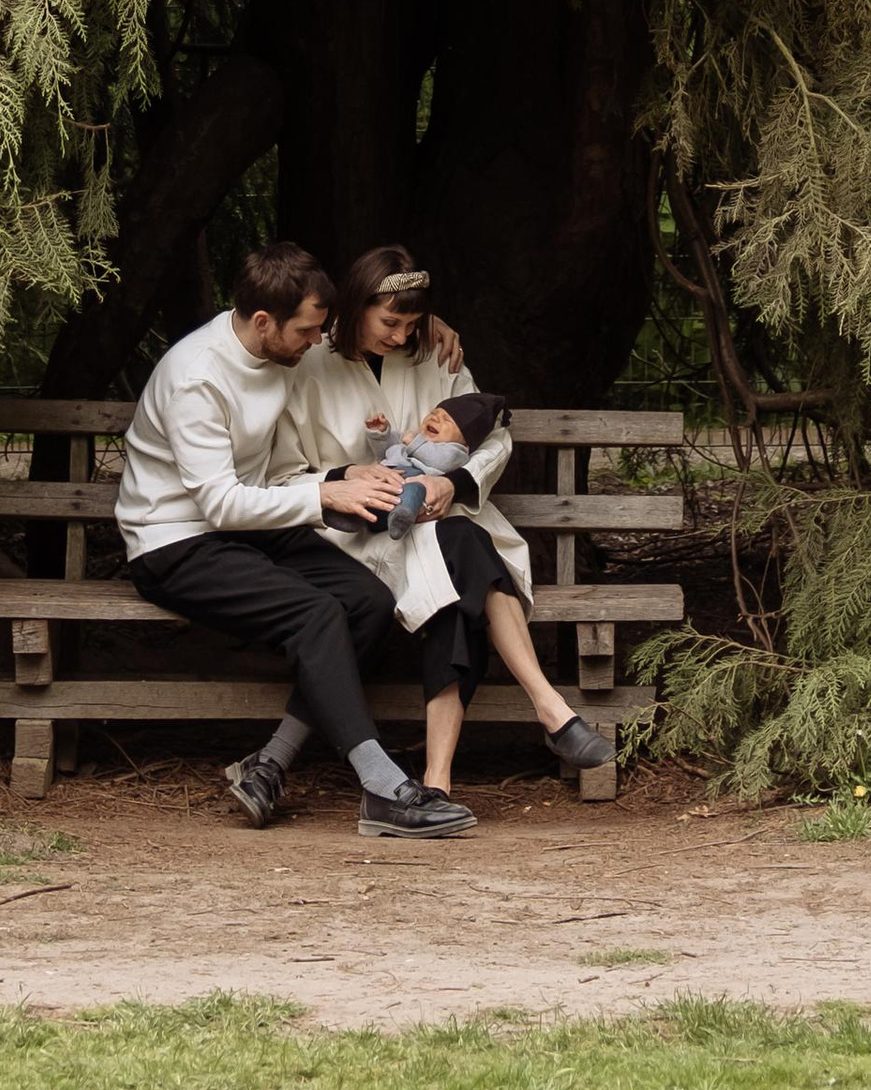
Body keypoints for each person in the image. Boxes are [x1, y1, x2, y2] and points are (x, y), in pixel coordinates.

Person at [222, 242, 613, 826]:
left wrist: (454, 482)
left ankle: (439, 779)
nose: (402, 337)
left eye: (411, 323)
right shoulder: (307, 365)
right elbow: (279, 474)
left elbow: (492, 433)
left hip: (436, 519)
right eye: (390, 321)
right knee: (467, 565)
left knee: (459, 560)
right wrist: (345, 477)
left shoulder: (436, 353)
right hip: (351, 536)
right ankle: (546, 714)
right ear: (354, 306)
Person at [114, 241, 475, 839]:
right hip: (174, 542)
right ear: (264, 321)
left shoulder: (276, 353)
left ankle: (269, 763)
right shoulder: (196, 379)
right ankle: (383, 787)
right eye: (308, 332)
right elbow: (220, 502)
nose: (316, 343)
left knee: (368, 602)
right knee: (316, 615)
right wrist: (323, 497)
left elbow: (270, 477)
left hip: (251, 529)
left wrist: (341, 476)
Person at [369, 390, 509, 525]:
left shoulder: (455, 452)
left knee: (414, 490)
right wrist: (381, 435)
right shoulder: (413, 439)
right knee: (364, 492)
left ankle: (402, 517)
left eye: (446, 420)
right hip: (382, 481)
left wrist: (414, 442)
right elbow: (386, 453)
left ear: (465, 442)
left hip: (412, 482)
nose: (435, 418)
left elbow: (441, 461)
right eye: (433, 413)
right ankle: (353, 519)